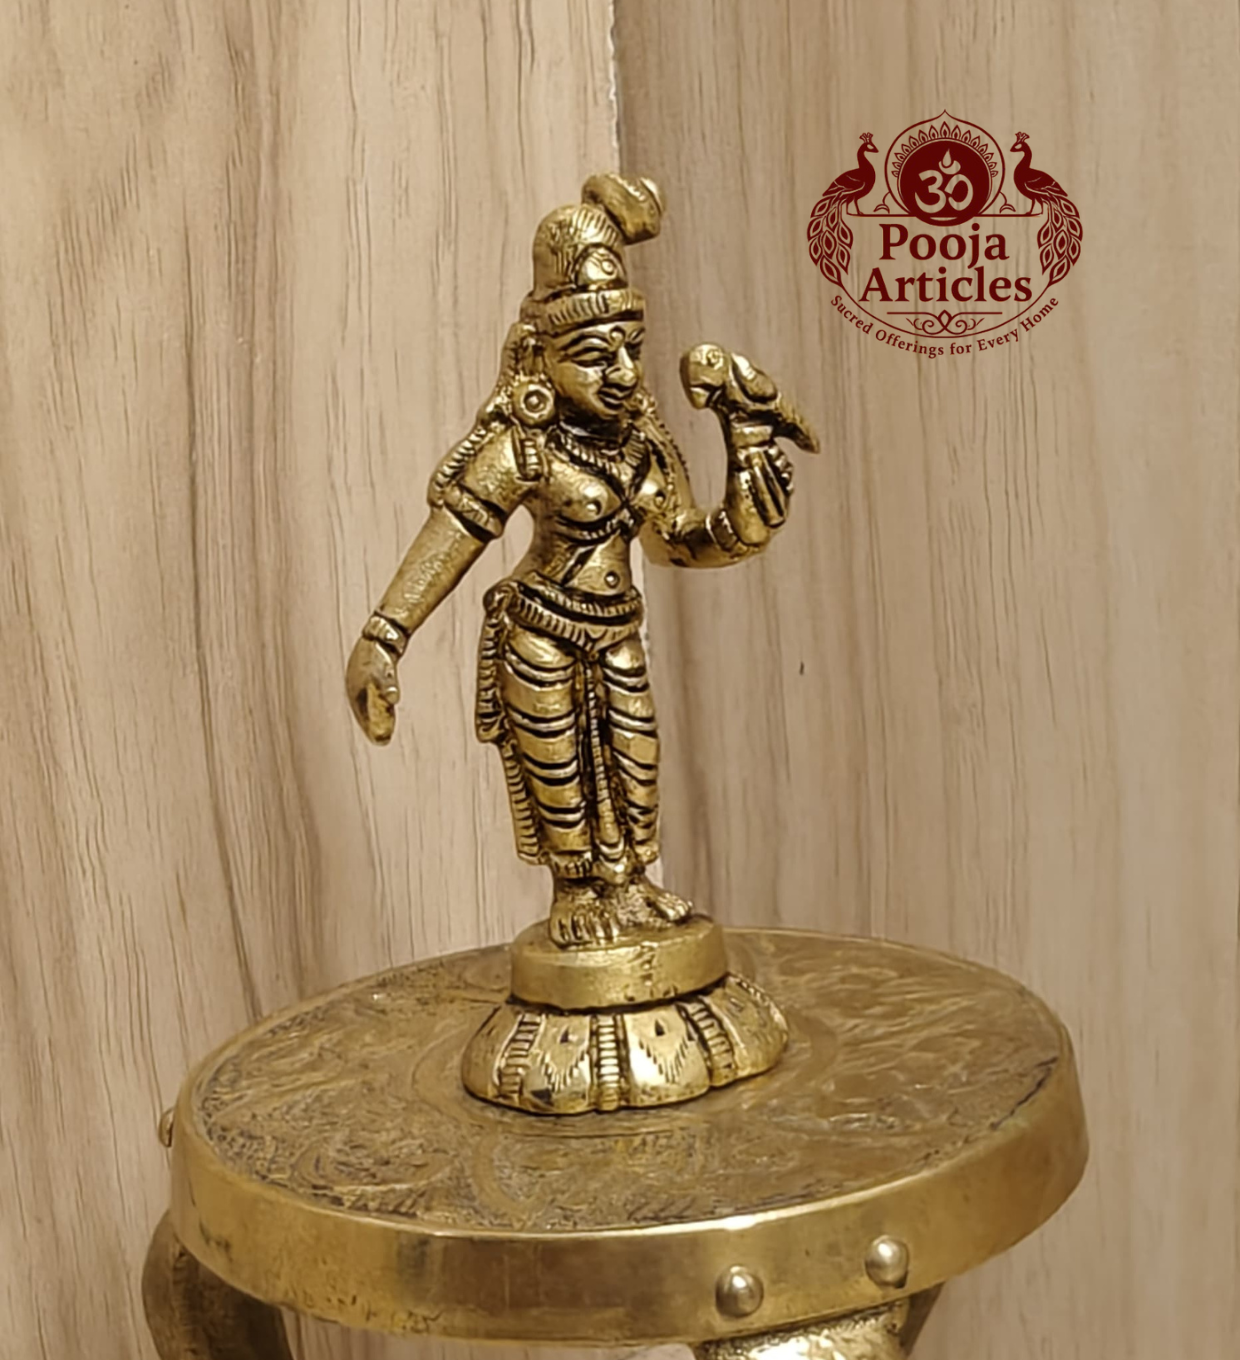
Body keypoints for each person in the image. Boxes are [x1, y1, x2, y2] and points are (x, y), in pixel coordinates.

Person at [346, 173, 798, 947]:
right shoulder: (524, 449)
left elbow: (680, 540)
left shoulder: (641, 444)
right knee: (559, 776)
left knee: (634, 763)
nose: (622, 373)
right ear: (539, 358)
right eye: (595, 355)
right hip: (540, 633)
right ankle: (576, 891)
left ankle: (630, 886)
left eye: (631, 350)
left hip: (617, 628)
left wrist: (748, 494)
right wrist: (385, 636)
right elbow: (453, 535)